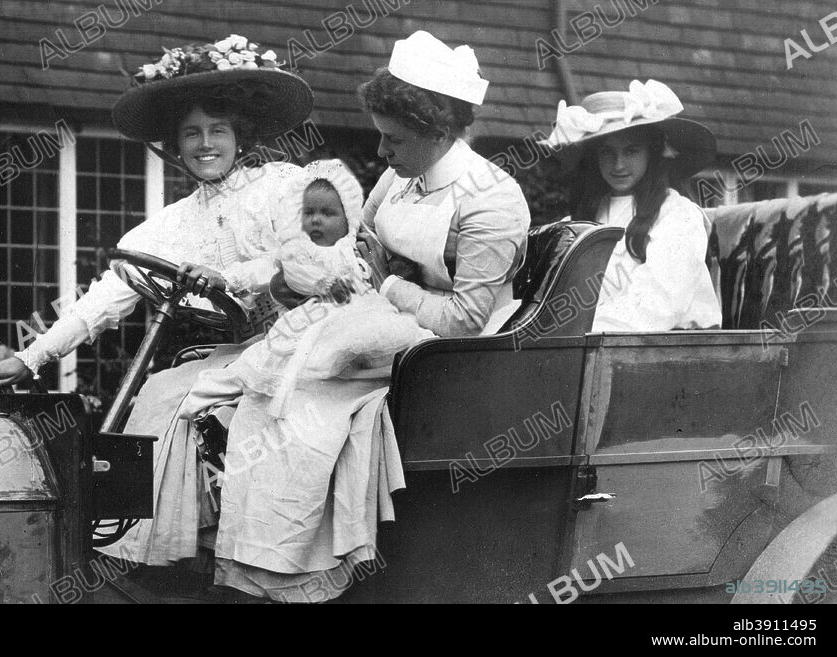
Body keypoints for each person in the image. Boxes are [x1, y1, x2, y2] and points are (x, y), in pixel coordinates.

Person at [0, 36, 314, 565]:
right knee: (158, 393)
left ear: (239, 136)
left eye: (218, 131)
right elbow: (105, 297)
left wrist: (228, 279)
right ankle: (152, 556)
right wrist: (33, 356)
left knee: (189, 397)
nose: (206, 144)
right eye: (191, 134)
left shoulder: (282, 187)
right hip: (243, 348)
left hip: (304, 339)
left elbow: (306, 263)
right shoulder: (173, 223)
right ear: (175, 145)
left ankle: (248, 549)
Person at [177, 159, 430, 602]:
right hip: (298, 336)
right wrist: (228, 277)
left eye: (327, 213)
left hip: (346, 336)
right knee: (251, 382)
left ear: (348, 217)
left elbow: (379, 294)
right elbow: (257, 270)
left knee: (308, 417)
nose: (315, 221)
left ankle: (297, 554)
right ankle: (242, 525)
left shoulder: (359, 252)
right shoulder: (292, 251)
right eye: (308, 212)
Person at [353, 30, 531, 337]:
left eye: (395, 139)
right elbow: (356, 238)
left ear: (439, 133)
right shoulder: (398, 176)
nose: (382, 151)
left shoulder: (491, 197)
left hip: (458, 352)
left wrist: (388, 282)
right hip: (387, 321)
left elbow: (464, 322)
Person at [540, 79, 722, 332]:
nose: (618, 165)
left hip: (667, 346)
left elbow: (658, 304)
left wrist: (573, 330)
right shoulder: (584, 217)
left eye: (631, 151)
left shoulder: (678, 215)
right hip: (591, 341)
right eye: (607, 153)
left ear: (652, 152)